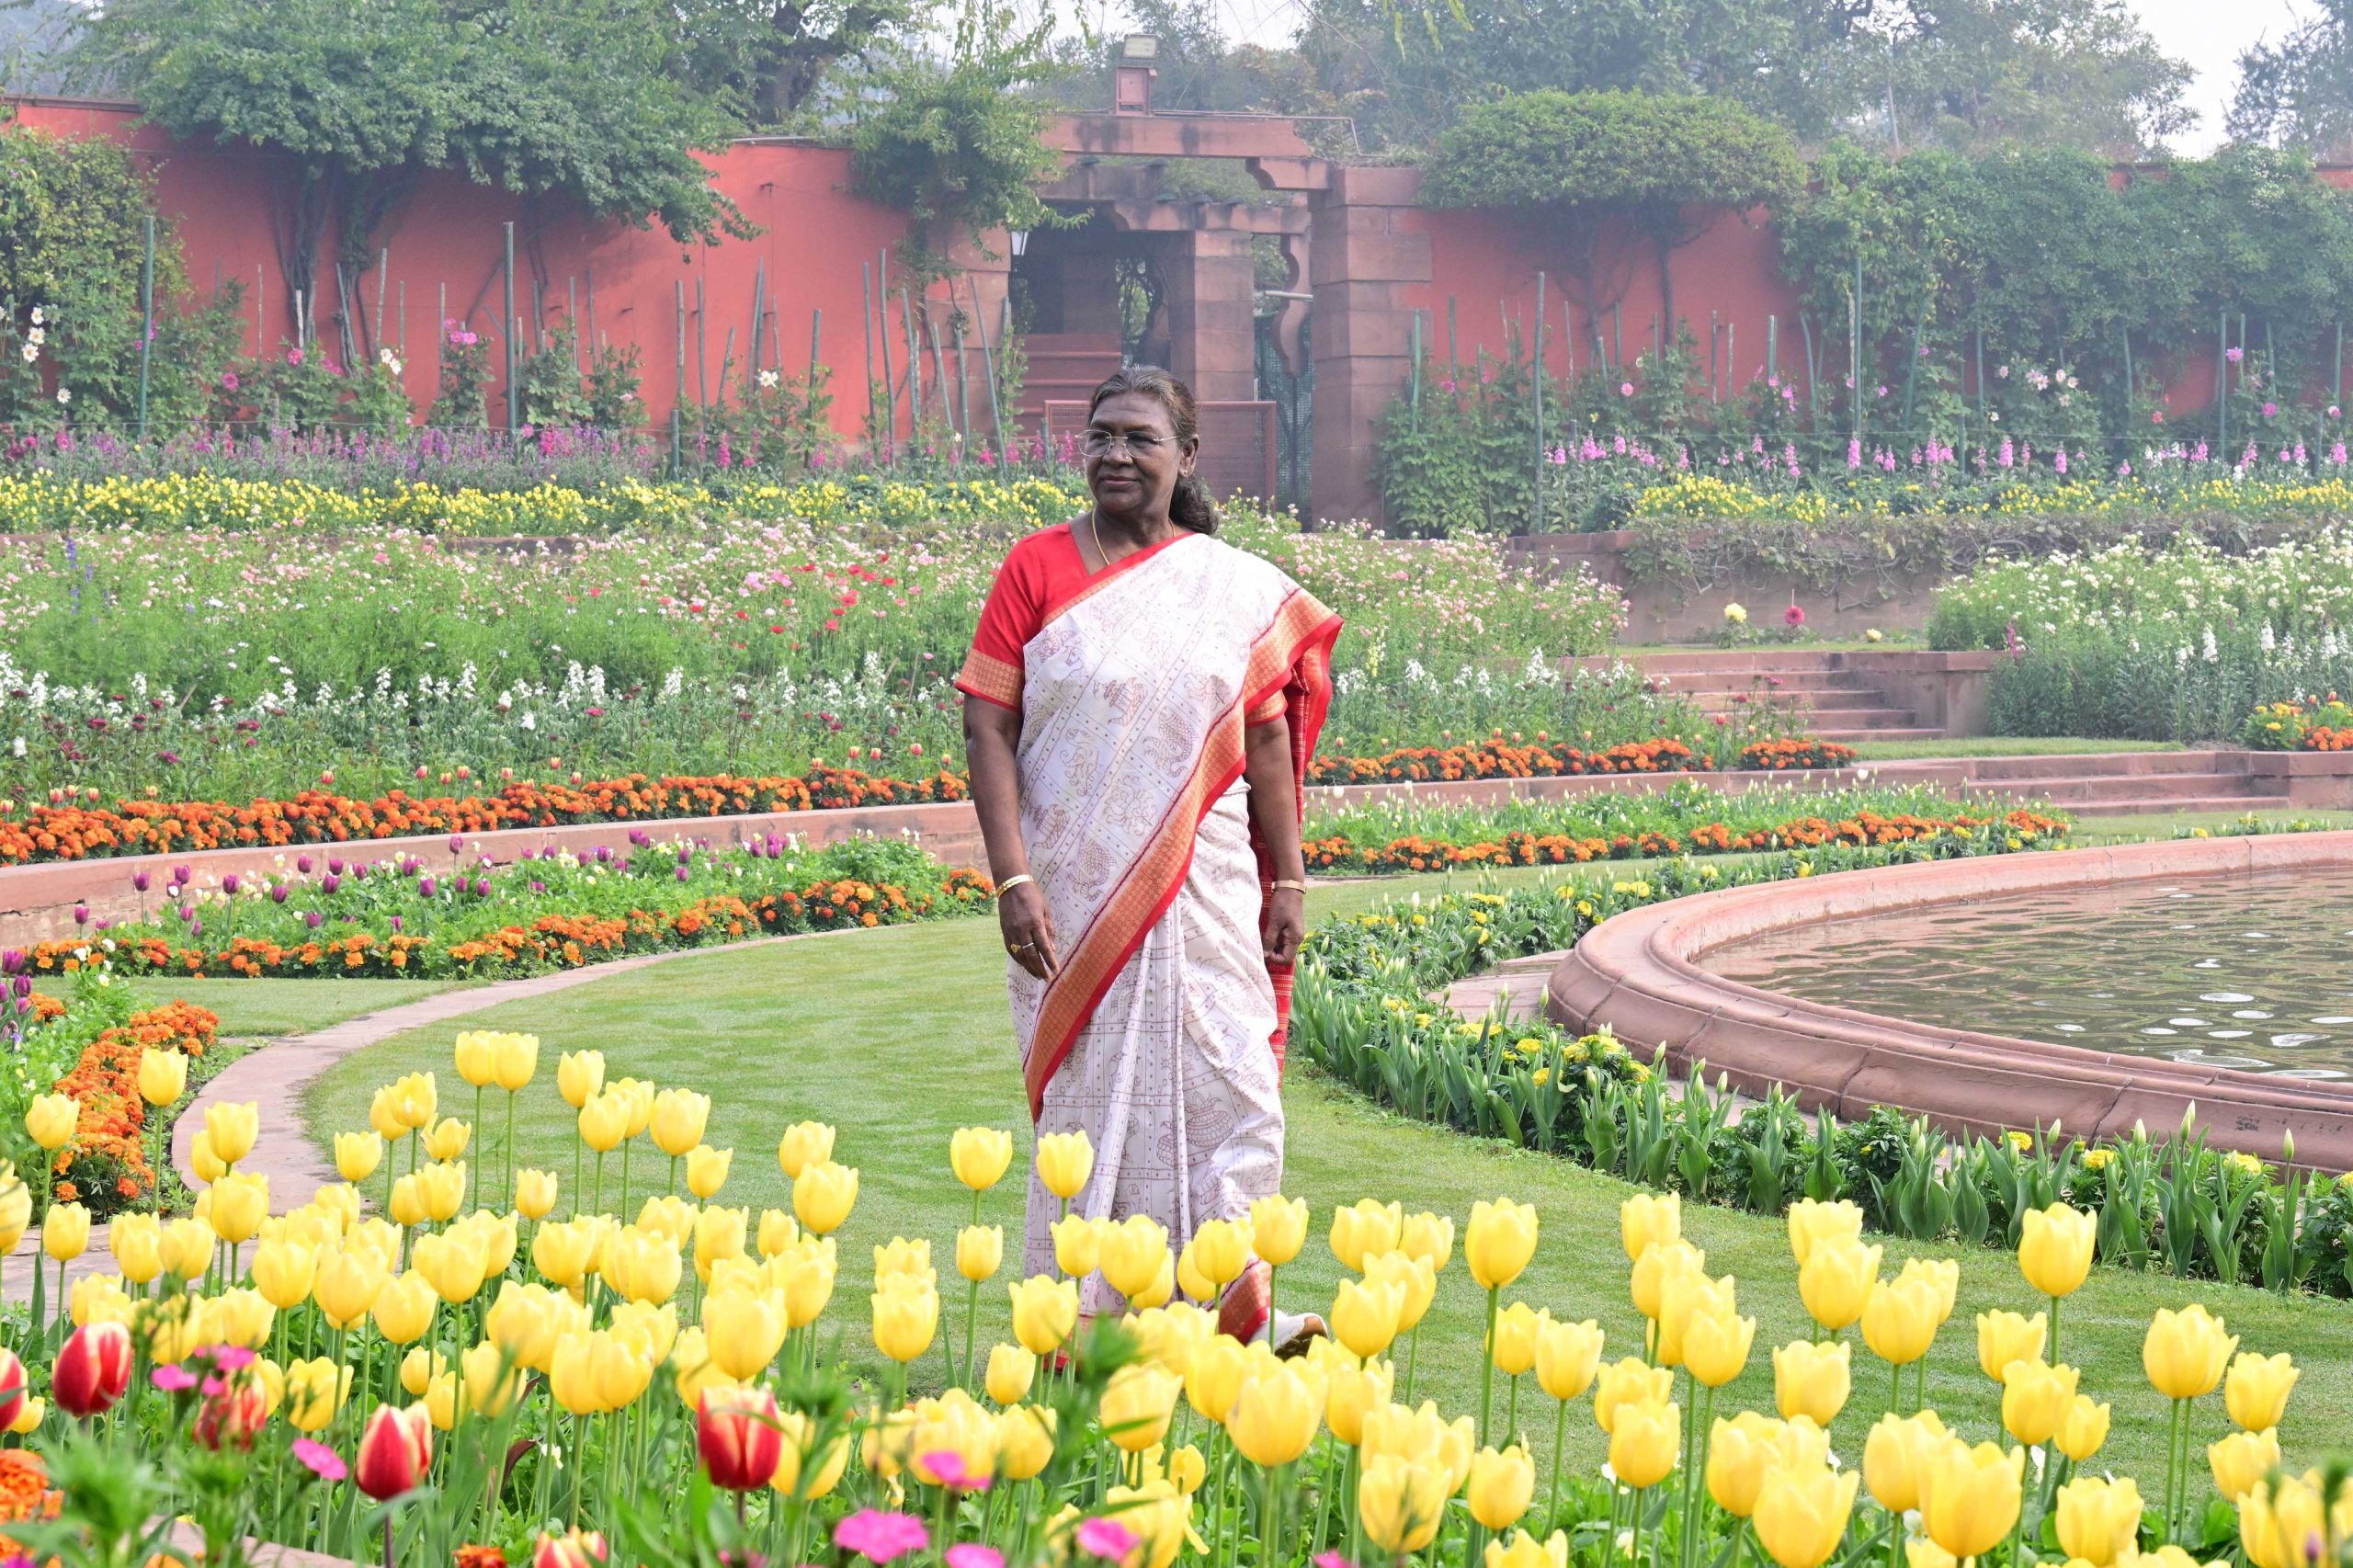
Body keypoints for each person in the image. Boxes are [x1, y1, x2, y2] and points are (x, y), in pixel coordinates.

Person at [958, 366, 1341, 1349]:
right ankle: (1078, 1315)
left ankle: (1239, 1305)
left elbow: (1263, 745)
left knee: (1232, 1086)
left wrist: (1287, 874)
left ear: (1186, 456)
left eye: (1138, 437)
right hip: (1072, 896)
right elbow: (987, 724)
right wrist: (1011, 877)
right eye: (1099, 436)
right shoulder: (1035, 567)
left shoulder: (1226, 584)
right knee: (1090, 1106)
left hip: (1208, 885)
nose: (1115, 455)